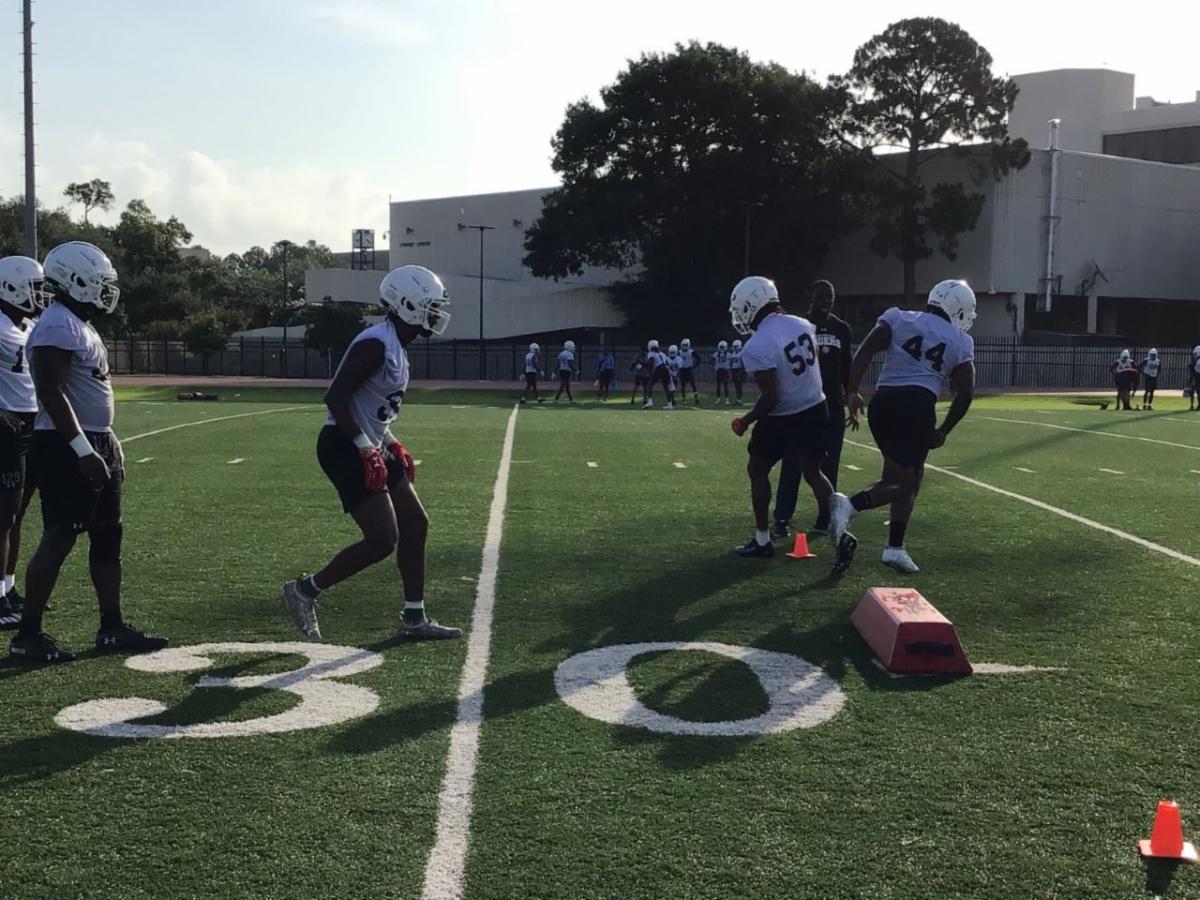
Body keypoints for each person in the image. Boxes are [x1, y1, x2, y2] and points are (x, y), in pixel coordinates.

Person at [282, 265, 461, 642]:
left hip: (369, 443)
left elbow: (373, 409)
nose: (436, 314)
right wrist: (366, 448)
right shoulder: (376, 343)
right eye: (430, 307)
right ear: (408, 305)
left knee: (416, 523)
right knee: (383, 539)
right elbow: (336, 397)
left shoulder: (395, 344)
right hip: (344, 445)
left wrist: (391, 443)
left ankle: (414, 618)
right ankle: (304, 591)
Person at [10, 241, 167, 664]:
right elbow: (50, 391)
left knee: (107, 535)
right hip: (65, 445)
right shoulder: (58, 325)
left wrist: (106, 440)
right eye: (99, 282)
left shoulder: (77, 322)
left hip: (94, 440)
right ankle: (28, 635)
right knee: (60, 536)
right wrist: (82, 448)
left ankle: (111, 628)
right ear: (75, 281)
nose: (105, 290)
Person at [828, 279, 977, 576]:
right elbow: (967, 392)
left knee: (909, 475)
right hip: (916, 405)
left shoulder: (899, 317)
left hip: (883, 403)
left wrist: (852, 390)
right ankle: (851, 505)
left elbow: (868, 348)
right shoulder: (960, 341)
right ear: (959, 309)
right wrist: (944, 429)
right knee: (903, 482)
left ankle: (895, 547)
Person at [727, 276, 835, 560]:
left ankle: (763, 540)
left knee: (757, 469)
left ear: (753, 304)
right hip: (815, 406)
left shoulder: (757, 343)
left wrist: (746, 420)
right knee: (813, 472)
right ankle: (839, 529)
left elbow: (771, 397)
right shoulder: (803, 324)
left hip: (784, 415)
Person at [771, 279, 853, 538]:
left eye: (830, 296)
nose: (826, 301)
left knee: (830, 465)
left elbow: (847, 367)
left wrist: (851, 395)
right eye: (821, 296)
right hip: (804, 406)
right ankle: (782, 517)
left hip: (833, 407)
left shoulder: (842, 329)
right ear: (811, 297)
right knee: (793, 463)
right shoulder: (799, 325)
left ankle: (825, 517)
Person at [0, 256, 44, 630]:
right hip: (6, 426)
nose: (38, 295)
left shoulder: (27, 325)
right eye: (33, 287)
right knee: (2, 517)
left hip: (30, 424)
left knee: (17, 516)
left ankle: (7, 588)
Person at [643, 339, 675, 410]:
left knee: (650, 385)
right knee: (666, 387)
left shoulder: (651, 353)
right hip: (666, 369)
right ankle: (670, 404)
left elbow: (651, 362)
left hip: (659, 368)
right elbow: (667, 363)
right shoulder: (662, 353)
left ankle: (650, 401)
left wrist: (650, 373)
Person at [677, 338, 699, 404]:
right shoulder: (679, 352)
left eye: (686, 345)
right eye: (683, 345)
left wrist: (694, 366)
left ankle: (696, 398)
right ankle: (684, 399)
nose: (684, 346)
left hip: (689, 369)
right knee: (683, 385)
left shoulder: (691, 351)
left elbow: (698, 358)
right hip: (682, 370)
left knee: (693, 384)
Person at [713, 340, 731, 404]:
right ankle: (718, 399)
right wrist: (715, 366)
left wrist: (728, 367)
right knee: (718, 386)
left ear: (725, 347)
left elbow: (732, 362)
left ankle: (727, 399)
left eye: (723, 347)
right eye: (721, 347)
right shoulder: (715, 354)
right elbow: (711, 361)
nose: (721, 349)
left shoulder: (729, 355)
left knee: (725, 386)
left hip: (725, 371)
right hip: (719, 371)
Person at [730, 339, 747, 406]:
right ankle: (737, 400)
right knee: (736, 386)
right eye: (734, 346)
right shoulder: (734, 353)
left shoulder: (742, 353)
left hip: (739, 370)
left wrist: (741, 372)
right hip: (734, 370)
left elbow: (743, 364)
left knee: (739, 386)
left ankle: (739, 401)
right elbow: (732, 363)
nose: (735, 347)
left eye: (736, 346)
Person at [1189, 346, 1200, 411]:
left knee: (1198, 392)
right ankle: (1192, 405)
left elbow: (1196, 370)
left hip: (1197, 379)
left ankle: (1198, 405)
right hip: (1196, 379)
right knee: (1193, 392)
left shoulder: (1198, 361)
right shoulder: (1196, 361)